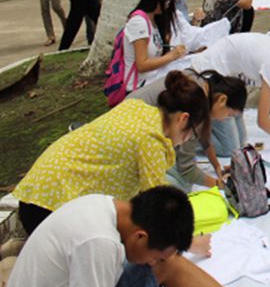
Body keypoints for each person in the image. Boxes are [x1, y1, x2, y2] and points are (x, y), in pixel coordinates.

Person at [0, 186, 270, 287]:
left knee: (165, 266)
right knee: (167, 268)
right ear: (141, 236)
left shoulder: (106, 210)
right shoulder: (100, 244)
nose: (151, 264)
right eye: (154, 256)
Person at [13, 71, 209, 235]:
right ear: (183, 119)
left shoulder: (137, 107)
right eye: (192, 134)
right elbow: (158, 210)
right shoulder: (152, 141)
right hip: (51, 209)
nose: (187, 140)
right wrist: (189, 242)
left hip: (35, 193)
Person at [191, 33, 270, 155]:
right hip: (206, 76)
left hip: (223, 78)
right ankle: (190, 132)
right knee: (229, 148)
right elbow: (263, 121)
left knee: (241, 141)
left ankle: (201, 124)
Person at [129, 70, 247, 191]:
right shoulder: (196, 104)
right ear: (222, 100)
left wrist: (217, 167)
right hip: (133, 139)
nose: (223, 120)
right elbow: (187, 169)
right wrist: (221, 186)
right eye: (229, 115)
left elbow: (204, 138)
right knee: (180, 185)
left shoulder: (201, 86)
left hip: (126, 116)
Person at [122, 0, 187, 93]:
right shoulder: (139, 22)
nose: (168, 3)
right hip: (139, 88)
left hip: (151, 80)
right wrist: (171, 56)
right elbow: (142, 65)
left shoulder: (154, 20)